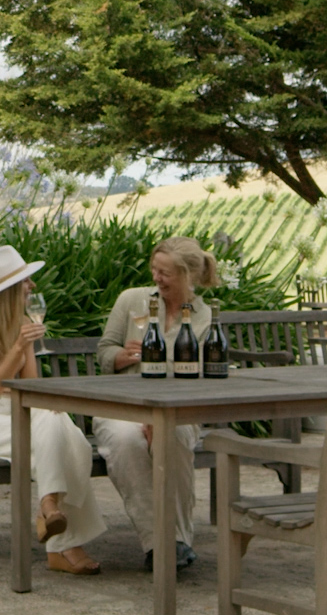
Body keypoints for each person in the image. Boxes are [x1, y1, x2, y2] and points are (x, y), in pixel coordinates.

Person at [0, 245, 107, 575]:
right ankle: (62, 539)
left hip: (20, 412)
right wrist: (20, 345)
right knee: (67, 441)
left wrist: (48, 406)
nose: (33, 287)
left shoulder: (21, 321)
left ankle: (49, 508)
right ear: (8, 290)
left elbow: (32, 389)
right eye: (26, 281)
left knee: (58, 424)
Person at [94, 236, 220, 571]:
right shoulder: (132, 300)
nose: (157, 278)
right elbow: (104, 351)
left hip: (177, 407)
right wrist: (120, 357)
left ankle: (175, 542)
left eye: (165, 273)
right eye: (154, 269)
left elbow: (200, 377)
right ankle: (162, 544)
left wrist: (162, 414)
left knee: (173, 436)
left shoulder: (202, 316)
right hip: (122, 405)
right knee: (126, 439)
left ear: (187, 277)